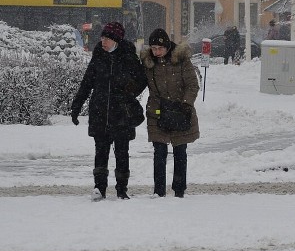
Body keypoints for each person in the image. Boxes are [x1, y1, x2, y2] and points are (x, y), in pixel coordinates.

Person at [71, 21, 147, 200]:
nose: (103, 41)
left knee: (122, 152)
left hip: (122, 112)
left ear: (116, 40)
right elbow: (86, 83)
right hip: (100, 112)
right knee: (101, 152)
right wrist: (76, 106)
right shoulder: (98, 56)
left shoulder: (128, 56)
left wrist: (129, 93)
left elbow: (142, 80)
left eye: (107, 38)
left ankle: (122, 189)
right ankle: (99, 187)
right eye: (102, 38)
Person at [140, 28, 200, 198]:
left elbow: (192, 85)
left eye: (159, 48)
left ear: (167, 47)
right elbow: (138, 82)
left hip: (180, 111)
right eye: (153, 48)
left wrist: (186, 104)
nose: (156, 52)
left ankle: (179, 189)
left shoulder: (181, 60)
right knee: (159, 151)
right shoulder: (148, 63)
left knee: (180, 151)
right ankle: (159, 191)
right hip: (157, 111)